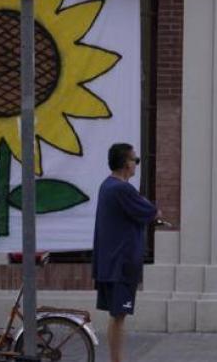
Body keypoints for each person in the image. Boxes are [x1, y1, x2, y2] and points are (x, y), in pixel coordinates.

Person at [92, 144, 158, 362]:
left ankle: (116, 358)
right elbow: (149, 211)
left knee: (116, 315)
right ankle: (116, 360)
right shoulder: (122, 189)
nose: (136, 164)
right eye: (135, 160)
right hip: (121, 263)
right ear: (126, 163)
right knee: (119, 316)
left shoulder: (106, 185)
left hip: (109, 262)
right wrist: (155, 212)